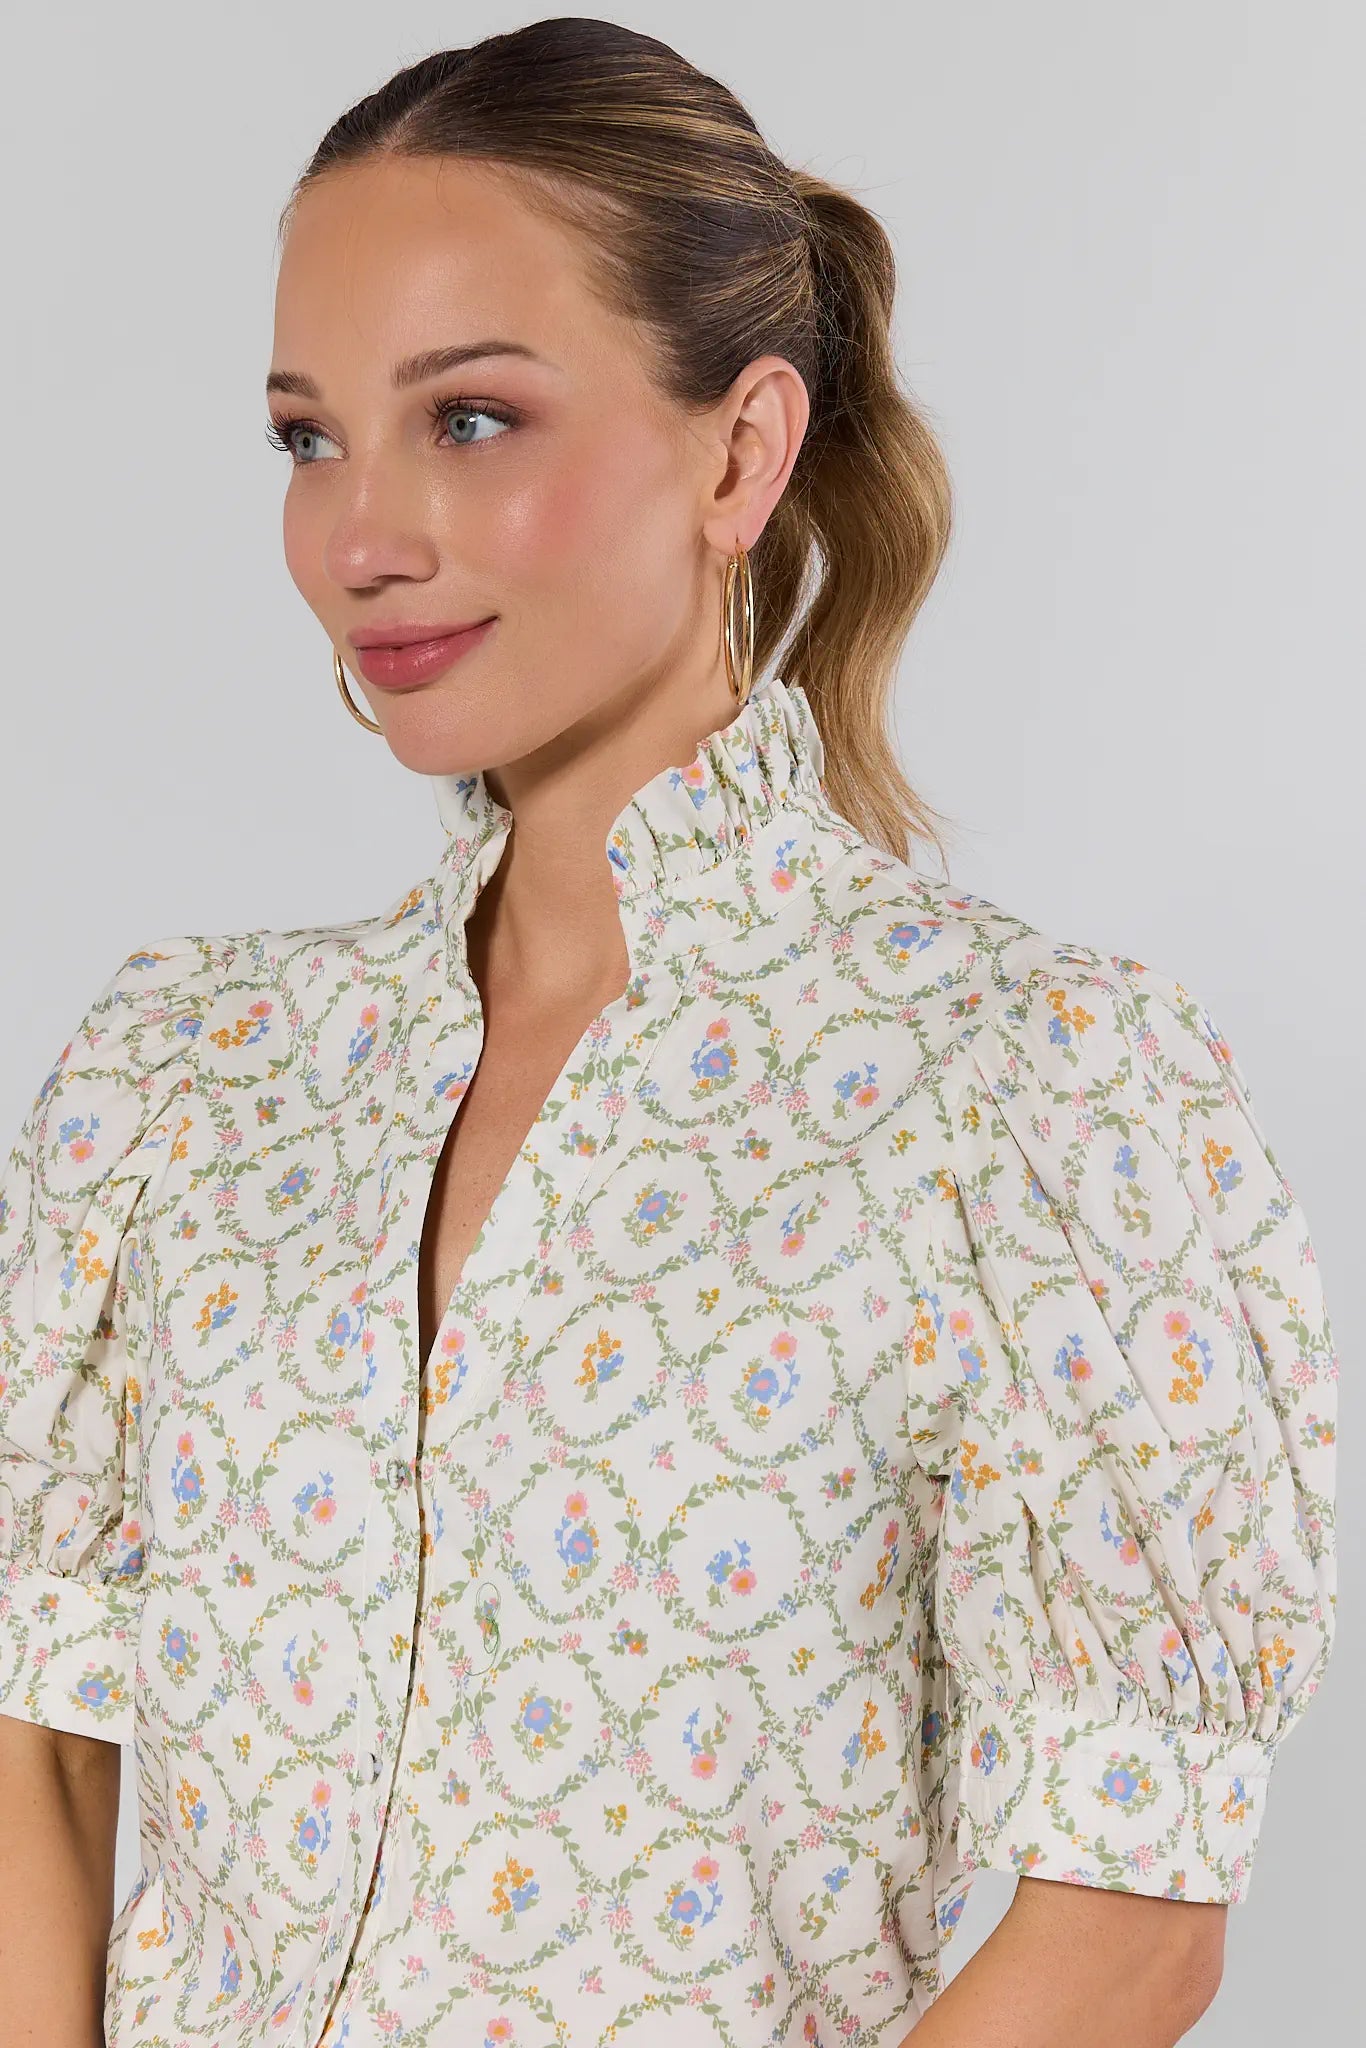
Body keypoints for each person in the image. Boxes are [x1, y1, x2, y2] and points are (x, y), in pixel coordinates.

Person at [0, 17, 1338, 2048]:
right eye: (306, 434)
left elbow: (1126, 1916)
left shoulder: (1027, 1093)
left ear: (738, 451)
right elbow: (42, 1754)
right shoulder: (178, 1084)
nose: (357, 532)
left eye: (467, 421)